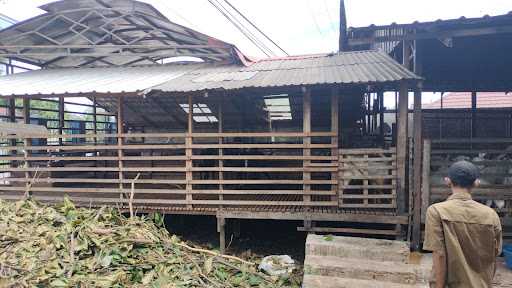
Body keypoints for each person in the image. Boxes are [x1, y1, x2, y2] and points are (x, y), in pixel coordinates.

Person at [423, 160, 502, 288]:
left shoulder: (436, 211)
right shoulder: (491, 215)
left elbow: (439, 255)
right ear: (476, 183)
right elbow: (493, 257)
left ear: (447, 181)